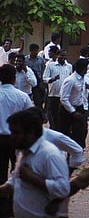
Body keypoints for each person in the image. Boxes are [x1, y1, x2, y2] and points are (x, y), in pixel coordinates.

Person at [0, 109, 70, 218]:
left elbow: (63, 189)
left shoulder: (49, 154)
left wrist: (32, 178)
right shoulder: (23, 152)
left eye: (16, 133)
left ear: (30, 132)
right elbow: (13, 184)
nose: (11, 137)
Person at [0, 64, 33, 217]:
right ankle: (13, 206)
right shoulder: (22, 96)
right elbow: (31, 119)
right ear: (14, 79)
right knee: (17, 172)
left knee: (0, 173)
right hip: (18, 139)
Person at [59, 59, 89, 148]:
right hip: (68, 110)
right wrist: (73, 111)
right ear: (83, 69)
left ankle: (78, 150)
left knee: (82, 131)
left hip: (80, 108)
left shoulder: (83, 79)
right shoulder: (71, 80)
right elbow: (64, 98)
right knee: (66, 133)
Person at [42, 49, 72, 130]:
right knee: (53, 115)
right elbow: (44, 78)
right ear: (57, 55)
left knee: (64, 116)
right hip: (54, 95)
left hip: (65, 96)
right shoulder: (50, 65)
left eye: (65, 56)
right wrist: (52, 79)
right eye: (61, 55)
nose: (63, 57)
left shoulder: (69, 66)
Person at [26, 43, 46, 109]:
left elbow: (43, 70)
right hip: (28, 81)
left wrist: (42, 81)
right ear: (31, 51)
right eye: (35, 51)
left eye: (37, 51)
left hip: (38, 81)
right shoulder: (26, 60)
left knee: (38, 100)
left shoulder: (40, 60)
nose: (36, 52)